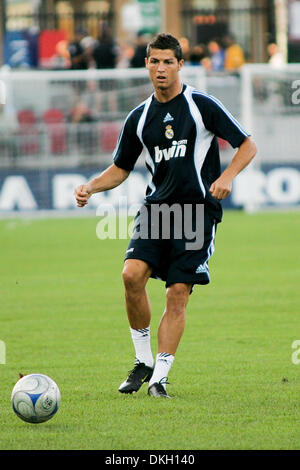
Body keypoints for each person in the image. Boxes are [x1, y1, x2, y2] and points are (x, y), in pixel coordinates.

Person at [74, 33, 257, 398]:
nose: (161, 68)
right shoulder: (139, 118)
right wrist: (91, 187)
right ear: (146, 64)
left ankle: (159, 378)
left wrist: (226, 177)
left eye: (168, 62)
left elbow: (247, 144)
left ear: (179, 65)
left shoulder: (201, 105)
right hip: (157, 211)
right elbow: (120, 168)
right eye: (154, 61)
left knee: (177, 293)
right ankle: (142, 362)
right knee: (131, 275)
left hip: (196, 213)